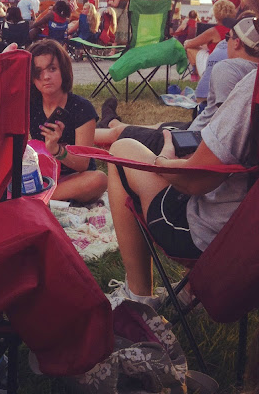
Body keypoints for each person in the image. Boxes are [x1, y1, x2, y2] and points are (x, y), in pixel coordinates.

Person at [105, 15, 259, 307]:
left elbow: (194, 181)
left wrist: (164, 160)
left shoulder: (251, 84)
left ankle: (140, 299)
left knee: (122, 150)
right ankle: (191, 292)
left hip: (219, 239)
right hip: (249, 236)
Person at [95, 14, 259, 151]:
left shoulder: (228, 69)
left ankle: (84, 132)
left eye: (227, 37)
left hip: (190, 143)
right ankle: (111, 121)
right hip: (194, 132)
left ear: (237, 42)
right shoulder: (253, 72)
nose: (224, 42)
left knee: (119, 135)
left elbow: (226, 129)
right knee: (159, 125)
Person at [27, 40, 106, 203]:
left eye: (52, 69)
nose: (46, 77)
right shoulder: (30, 106)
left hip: (75, 177)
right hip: (43, 175)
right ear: (32, 78)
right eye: (38, 71)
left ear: (63, 70)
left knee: (99, 180)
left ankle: (38, 198)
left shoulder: (82, 108)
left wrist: (56, 150)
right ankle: (41, 196)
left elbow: (83, 164)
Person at [184, 0, 236, 79]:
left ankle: (197, 77)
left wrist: (186, 43)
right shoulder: (235, 29)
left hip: (213, 64)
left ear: (216, 14)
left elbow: (190, 44)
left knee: (190, 47)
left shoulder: (214, 31)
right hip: (230, 65)